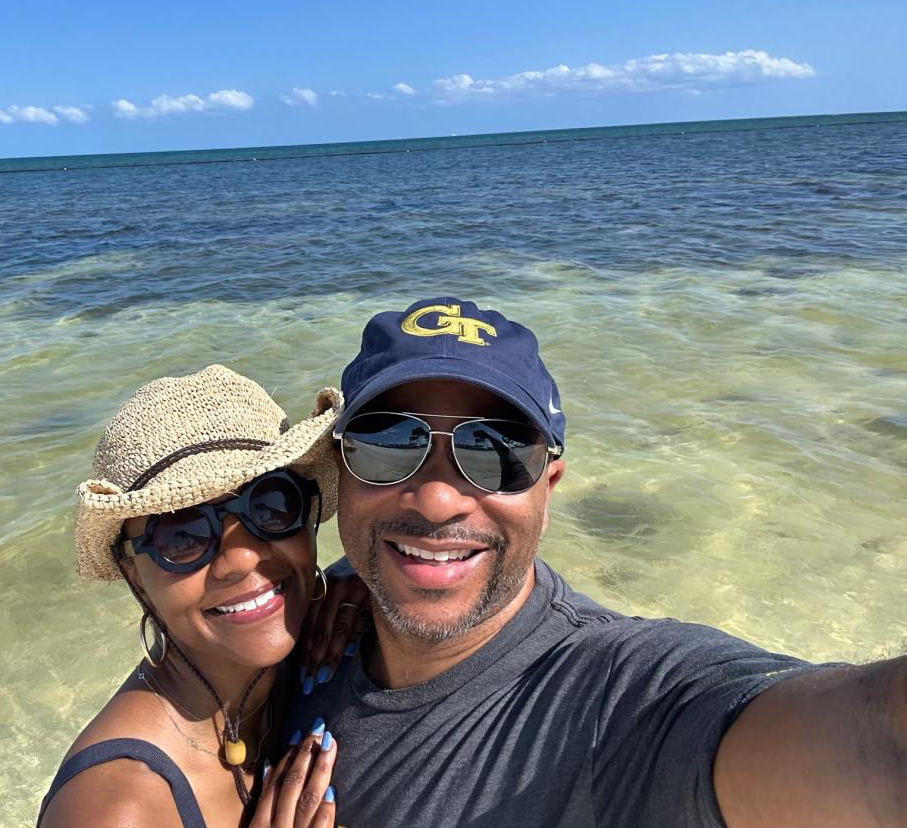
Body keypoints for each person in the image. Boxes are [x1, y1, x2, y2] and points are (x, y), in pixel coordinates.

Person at [292, 296, 907, 827]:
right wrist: (333, 580)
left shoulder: (609, 694)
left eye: (496, 451)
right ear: (341, 474)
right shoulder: (294, 625)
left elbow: (864, 741)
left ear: (548, 488)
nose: (436, 499)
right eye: (389, 442)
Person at [38, 365, 364, 828]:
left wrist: (363, 577)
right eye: (183, 535)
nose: (243, 559)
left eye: (271, 505)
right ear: (132, 571)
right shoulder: (117, 809)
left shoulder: (314, 632)